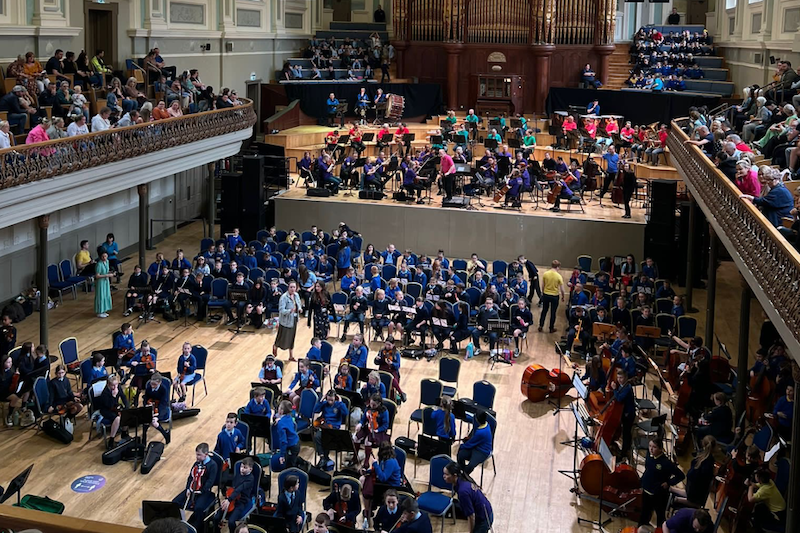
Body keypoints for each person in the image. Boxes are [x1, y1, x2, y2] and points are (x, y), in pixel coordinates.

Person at [638, 438, 684, 528]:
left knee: (660, 516)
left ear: (660, 449)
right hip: (646, 491)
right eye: (650, 446)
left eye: (654, 447)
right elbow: (648, 469)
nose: (651, 449)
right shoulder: (649, 455)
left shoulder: (666, 463)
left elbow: (681, 476)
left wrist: (669, 482)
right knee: (644, 513)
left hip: (658, 494)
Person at [172, 443, 219, 531]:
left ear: (206, 454)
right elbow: (190, 477)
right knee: (175, 502)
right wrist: (188, 489)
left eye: (199, 455)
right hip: (192, 489)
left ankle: (196, 528)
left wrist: (200, 491)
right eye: (196, 454)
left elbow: (210, 482)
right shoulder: (196, 463)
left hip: (204, 491)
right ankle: (178, 524)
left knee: (199, 508)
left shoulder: (213, 465)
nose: (197, 457)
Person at [443, 462, 493, 533]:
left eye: (447, 474)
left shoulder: (463, 492)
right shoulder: (463, 480)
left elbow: (471, 516)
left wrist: (471, 532)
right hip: (486, 510)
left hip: (484, 518)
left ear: (454, 475)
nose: (444, 476)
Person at [352, 392, 390, 467]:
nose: (371, 406)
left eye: (374, 405)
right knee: (355, 438)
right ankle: (355, 457)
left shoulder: (384, 411)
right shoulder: (368, 407)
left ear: (379, 404)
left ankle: (366, 462)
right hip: (368, 427)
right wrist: (360, 424)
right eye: (371, 403)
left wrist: (378, 430)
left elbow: (385, 425)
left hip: (378, 430)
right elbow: (364, 419)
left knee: (368, 441)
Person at [313, 389, 349, 468]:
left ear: (334, 398)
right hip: (325, 425)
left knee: (326, 439)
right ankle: (322, 457)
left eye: (331, 399)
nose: (330, 401)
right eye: (328, 399)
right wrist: (321, 400)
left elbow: (345, 413)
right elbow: (316, 410)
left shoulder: (339, 405)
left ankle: (325, 459)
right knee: (317, 437)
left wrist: (340, 402)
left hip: (334, 427)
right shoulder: (325, 404)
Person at [274, 281, 303, 361]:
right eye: (291, 287)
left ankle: (291, 356)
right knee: (282, 337)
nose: (293, 289)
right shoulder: (283, 297)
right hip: (285, 321)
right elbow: (281, 310)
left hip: (294, 319)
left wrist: (299, 309)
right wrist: (290, 311)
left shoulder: (296, 295)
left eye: (294, 287)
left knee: (292, 337)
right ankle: (275, 346)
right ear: (288, 288)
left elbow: (299, 304)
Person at [457, 410, 493, 475]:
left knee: (470, 465)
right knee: (460, 455)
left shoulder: (481, 432)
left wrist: (462, 446)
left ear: (477, 419)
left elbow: (471, 443)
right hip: (476, 446)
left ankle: (463, 476)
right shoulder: (486, 424)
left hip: (483, 451)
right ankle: (461, 470)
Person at [142, 373, 172, 444]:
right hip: (151, 407)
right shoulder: (149, 387)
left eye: (154, 384)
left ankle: (165, 435)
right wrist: (146, 404)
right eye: (151, 384)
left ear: (159, 383)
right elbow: (146, 398)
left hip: (162, 408)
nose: (152, 386)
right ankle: (144, 439)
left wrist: (157, 416)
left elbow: (164, 403)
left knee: (154, 422)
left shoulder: (163, 390)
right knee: (145, 422)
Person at [539, 260, 565, 333]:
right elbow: (562, 289)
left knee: (544, 310)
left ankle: (541, 325)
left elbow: (543, 285)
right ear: (558, 267)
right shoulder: (559, 276)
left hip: (546, 295)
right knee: (553, 312)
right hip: (554, 296)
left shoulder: (545, 274)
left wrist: (543, 293)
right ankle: (551, 328)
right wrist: (563, 296)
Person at [276, 399, 301, 468]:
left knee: (290, 467)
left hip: (291, 447)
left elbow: (283, 441)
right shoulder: (289, 417)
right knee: (293, 462)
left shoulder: (281, 424)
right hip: (296, 443)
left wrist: (282, 455)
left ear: (281, 411)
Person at [94, 251, 113, 318]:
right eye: (103, 256)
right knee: (101, 295)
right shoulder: (99, 264)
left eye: (105, 256)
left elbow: (107, 271)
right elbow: (97, 276)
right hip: (100, 282)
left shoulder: (107, 262)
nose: (104, 258)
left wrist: (111, 273)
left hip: (106, 281)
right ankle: (99, 311)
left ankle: (104, 309)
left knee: (106, 294)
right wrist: (106, 275)